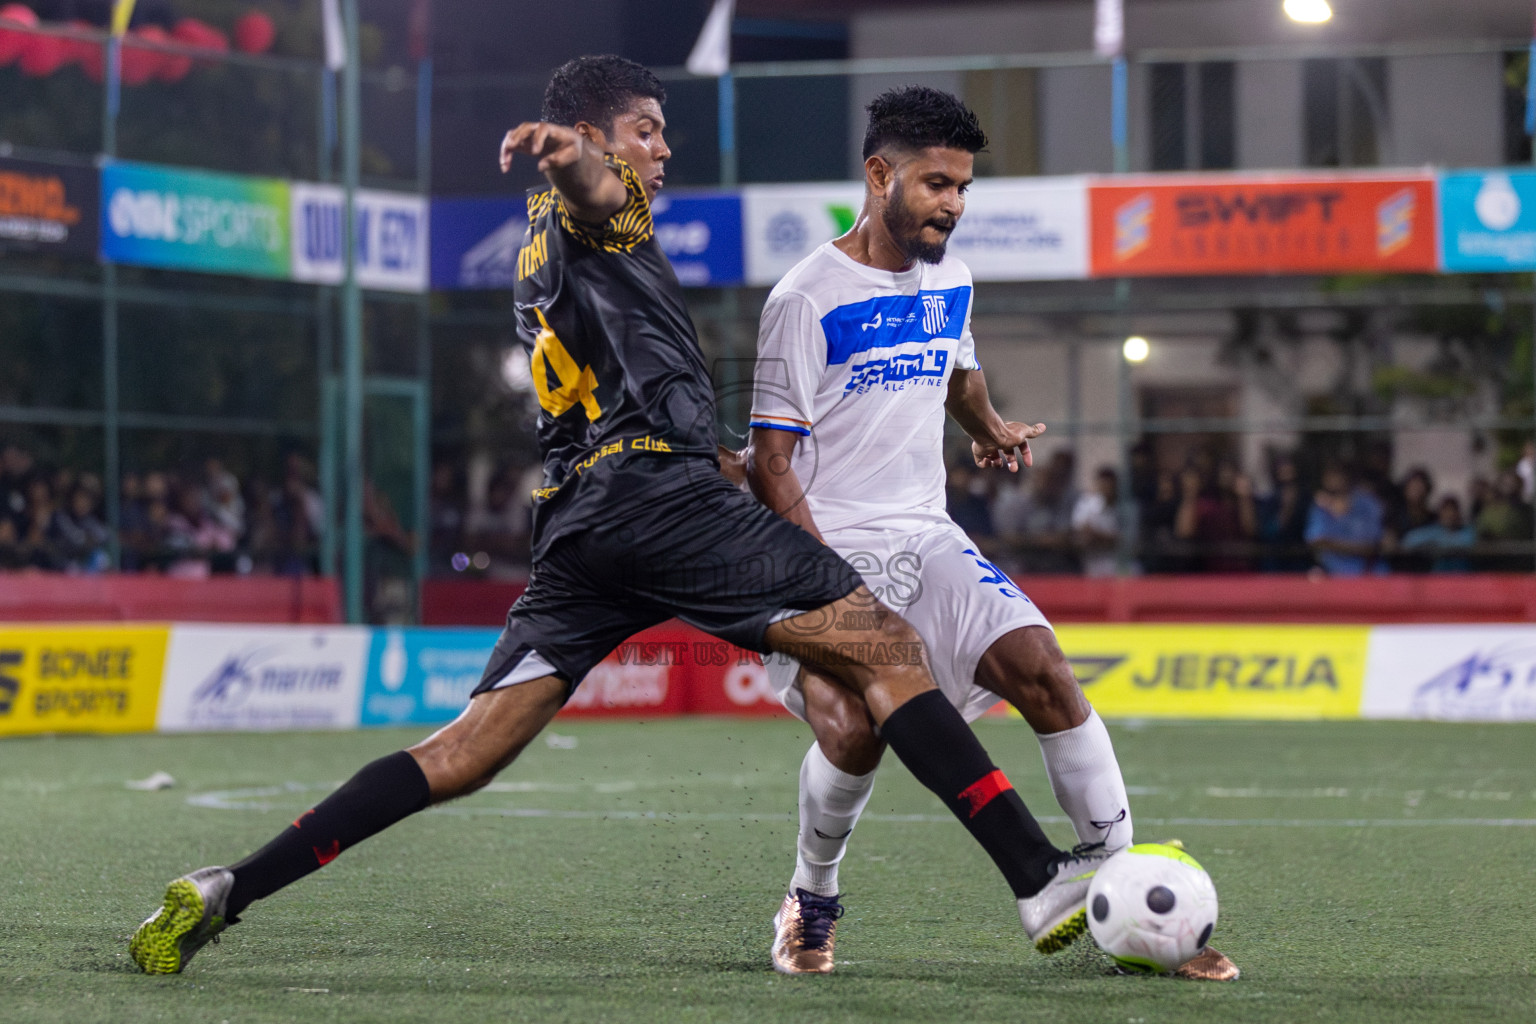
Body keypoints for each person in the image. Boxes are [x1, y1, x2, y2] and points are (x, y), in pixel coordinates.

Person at [128, 56, 1099, 977]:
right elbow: (602, 188)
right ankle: (1039, 878)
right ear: (596, 136)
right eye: (646, 131)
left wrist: (706, 456)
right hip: (661, 506)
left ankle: (231, 886)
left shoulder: (535, 253)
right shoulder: (608, 210)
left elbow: (618, 400)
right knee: (888, 647)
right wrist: (576, 159)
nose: (661, 150)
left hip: (585, 524)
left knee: (462, 751)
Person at [744, 86, 1235, 981]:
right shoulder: (804, 300)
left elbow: (957, 369)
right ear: (879, 174)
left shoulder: (953, 278)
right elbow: (771, 466)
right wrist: (820, 582)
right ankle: (812, 893)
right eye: (937, 184)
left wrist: (988, 425)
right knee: (851, 730)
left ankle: (1116, 881)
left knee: (1043, 668)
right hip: (818, 554)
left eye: (964, 187)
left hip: (927, 535)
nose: (954, 205)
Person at [1305, 463, 1383, 577]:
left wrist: (1331, 544)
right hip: (1331, 573)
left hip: (1370, 573)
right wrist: (1356, 548)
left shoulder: (1367, 503)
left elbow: (1371, 546)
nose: (1333, 480)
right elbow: (1316, 540)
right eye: (1329, 475)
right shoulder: (1320, 506)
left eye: (1337, 474)